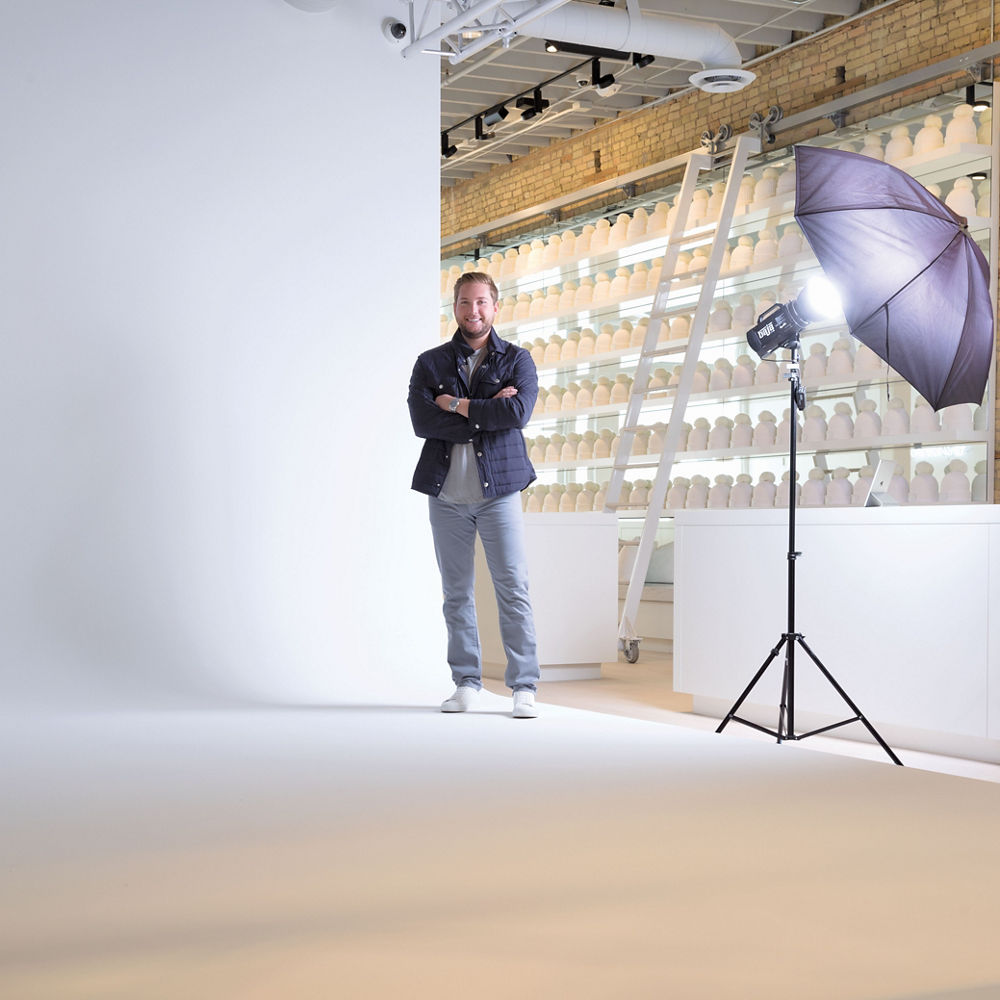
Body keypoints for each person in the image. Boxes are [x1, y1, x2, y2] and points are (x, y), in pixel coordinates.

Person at [407, 272, 541, 719]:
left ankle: (524, 686)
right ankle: (466, 683)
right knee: (456, 593)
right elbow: (423, 423)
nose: (473, 311)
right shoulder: (430, 363)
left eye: (482, 302)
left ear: (495, 307)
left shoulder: (517, 360)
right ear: (455, 308)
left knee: (513, 588)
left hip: (499, 491)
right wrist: (487, 410)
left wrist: (454, 403)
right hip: (445, 494)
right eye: (465, 302)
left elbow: (517, 412)